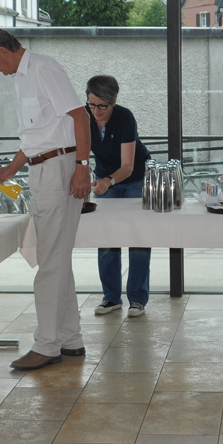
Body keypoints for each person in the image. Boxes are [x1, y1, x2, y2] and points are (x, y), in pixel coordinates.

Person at [0, 26, 91, 371]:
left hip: (59, 168)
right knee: (57, 257)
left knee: (50, 260)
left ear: (3, 51)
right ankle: (69, 338)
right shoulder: (20, 78)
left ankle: (47, 345)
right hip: (43, 168)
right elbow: (37, 136)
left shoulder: (43, 68)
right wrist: (11, 169)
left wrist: (82, 167)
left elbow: (80, 116)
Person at [85, 74, 151, 318]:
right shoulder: (83, 116)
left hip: (135, 178)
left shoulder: (125, 118)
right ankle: (111, 298)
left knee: (138, 237)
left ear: (113, 103)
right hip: (104, 177)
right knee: (107, 236)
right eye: (92, 104)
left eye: (102, 106)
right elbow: (79, 153)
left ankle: (137, 299)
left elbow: (127, 166)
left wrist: (109, 181)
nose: (96, 111)